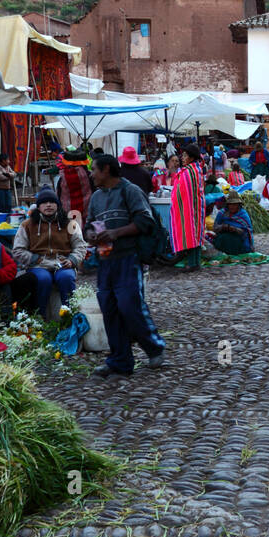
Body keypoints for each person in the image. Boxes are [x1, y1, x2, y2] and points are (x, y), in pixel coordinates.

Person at [85, 154, 166, 379]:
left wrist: (116, 233)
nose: (91, 174)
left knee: (130, 306)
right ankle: (120, 361)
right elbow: (88, 224)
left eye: (94, 170)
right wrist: (91, 234)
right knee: (109, 309)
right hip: (105, 260)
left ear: (107, 170)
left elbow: (145, 221)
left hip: (128, 258)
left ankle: (154, 346)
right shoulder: (96, 198)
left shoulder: (130, 191)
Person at [13, 188, 88, 320]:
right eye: (44, 202)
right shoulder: (27, 225)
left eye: (52, 202)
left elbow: (81, 246)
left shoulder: (70, 223)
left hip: (63, 263)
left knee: (66, 278)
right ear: (39, 206)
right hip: (38, 265)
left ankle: (70, 318)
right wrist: (35, 259)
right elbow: (18, 250)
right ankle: (40, 318)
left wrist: (72, 260)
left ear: (57, 205)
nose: (48, 205)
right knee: (43, 280)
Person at [169, 142, 205, 272]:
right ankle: (196, 262)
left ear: (191, 158)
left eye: (184, 155)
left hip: (189, 208)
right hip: (196, 206)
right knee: (196, 234)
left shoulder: (188, 172)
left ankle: (191, 263)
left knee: (189, 234)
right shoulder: (197, 169)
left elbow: (183, 191)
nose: (182, 158)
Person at [56, 146, 93, 222]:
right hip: (88, 217)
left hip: (68, 217)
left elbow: (58, 196)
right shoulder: (90, 176)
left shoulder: (62, 178)